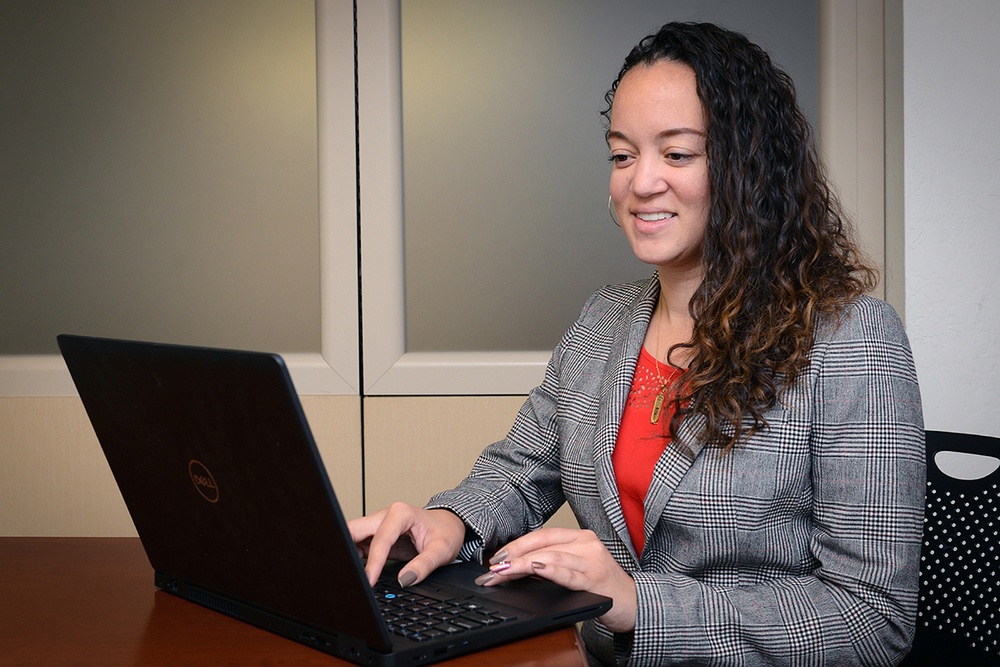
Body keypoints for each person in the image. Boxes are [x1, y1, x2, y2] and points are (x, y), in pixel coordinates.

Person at [349, 21, 925, 666]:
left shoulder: (853, 340)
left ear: (749, 165)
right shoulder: (606, 317)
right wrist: (451, 524)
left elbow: (874, 617)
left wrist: (637, 603)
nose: (640, 182)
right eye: (623, 155)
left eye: (677, 154)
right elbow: (521, 471)